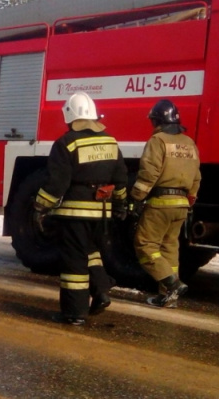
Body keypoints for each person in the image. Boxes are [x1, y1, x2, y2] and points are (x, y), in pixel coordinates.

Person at [33, 92, 128, 326]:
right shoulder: (110, 141)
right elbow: (121, 178)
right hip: (102, 213)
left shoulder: (67, 143)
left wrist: (39, 207)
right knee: (91, 252)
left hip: (74, 213)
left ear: (71, 117)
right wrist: (120, 204)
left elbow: (57, 183)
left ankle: (74, 313)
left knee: (74, 262)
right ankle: (102, 290)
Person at [131, 99, 201, 308]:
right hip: (181, 205)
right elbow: (196, 177)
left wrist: (135, 198)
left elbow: (149, 173)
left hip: (161, 202)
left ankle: (172, 283)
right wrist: (189, 199)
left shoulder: (158, 141)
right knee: (170, 248)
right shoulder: (189, 143)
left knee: (145, 244)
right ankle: (168, 297)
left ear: (157, 121)